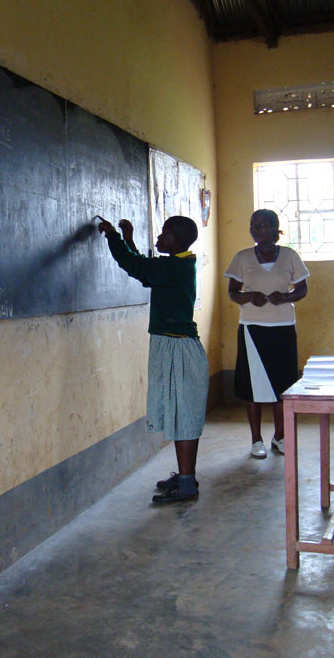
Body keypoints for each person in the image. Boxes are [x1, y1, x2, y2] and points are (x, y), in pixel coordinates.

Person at [97, 214, 208, 503]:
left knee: (183, 415)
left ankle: (187, 485)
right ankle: (185, 476)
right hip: (171, 345)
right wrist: (129, 240)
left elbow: (137, 267)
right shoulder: (177, 263)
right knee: (178, 413)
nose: (159, 239)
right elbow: (148, 272)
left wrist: (114, 237)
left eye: (164, 235)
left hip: (178, 347)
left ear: (180, 240)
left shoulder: (177, 265)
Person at [224, 209, 309, 459]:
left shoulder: (290, 256)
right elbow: (233, 292)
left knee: (282, 385)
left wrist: (285, 297)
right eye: (253, 225)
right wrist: (250, 296)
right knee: (253, 386)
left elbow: (302, 289)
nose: (256, 229)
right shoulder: (242, 257)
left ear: (275, 229)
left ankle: (280, 437)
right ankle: (256, 440)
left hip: (282, 328)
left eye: (262, 225)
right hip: (252, 328)